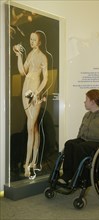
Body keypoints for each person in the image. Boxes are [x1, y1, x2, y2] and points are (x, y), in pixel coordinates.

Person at [58, 89, 99, 185]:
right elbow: (80, 132)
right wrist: (76, 141)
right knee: (69, 144)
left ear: (93, 102)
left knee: (81, 147)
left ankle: (80, 177)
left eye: (86, 99)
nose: (84, 102)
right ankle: (68, 174)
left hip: (98, 144)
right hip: (84, 141)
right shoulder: (87, 115)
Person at [13, 31, 49, 179]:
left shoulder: (42, 57)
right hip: (25, 90)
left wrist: (37, 92)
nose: (32, 41)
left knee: (30, 126)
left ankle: (28, 164)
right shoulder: (30, 55)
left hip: (34, 90)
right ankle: (34, 161)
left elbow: (46, 78)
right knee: (33, 127)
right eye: (31, 39)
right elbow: (22, 71)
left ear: (40, 42)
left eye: (34, 40)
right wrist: (19, 55)